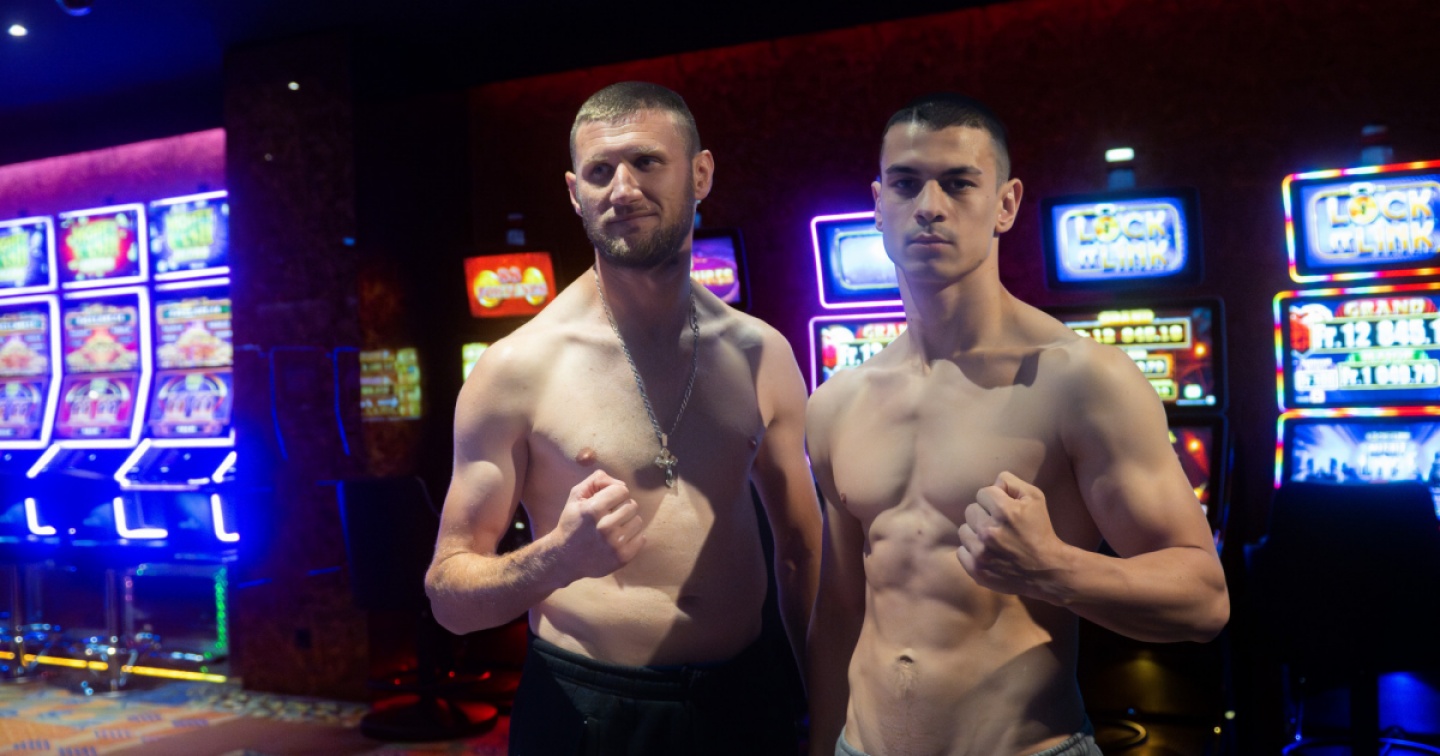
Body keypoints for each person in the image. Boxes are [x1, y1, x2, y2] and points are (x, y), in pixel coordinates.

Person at [805, 94, 1230, 756]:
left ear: (1005, 204)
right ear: (879, 205)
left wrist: (1054, 568)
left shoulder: (1081, 379)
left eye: (958, 183)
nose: (930, 206)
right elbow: (838, 614)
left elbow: (1204, 600)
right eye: (906, 183)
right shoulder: (837, 402)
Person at [425, 81, 822, 756]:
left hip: (745, 702)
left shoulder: (761, 353)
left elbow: (801, 552)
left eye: (646, 162)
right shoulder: (515, 368)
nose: (623, 189)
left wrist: (825, 702)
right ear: (574, 192)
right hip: (589, 711)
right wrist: (558, 558)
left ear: (700, 173)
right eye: (600, 171)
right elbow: (449, 598)